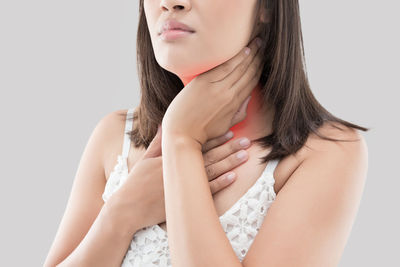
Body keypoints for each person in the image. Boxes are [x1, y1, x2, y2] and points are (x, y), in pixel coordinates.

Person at [44, 0, 369, 266]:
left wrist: (181, 140)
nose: (171, 3)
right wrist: (122, 213)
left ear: (266, 7)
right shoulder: (114, 136)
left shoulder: (326, 152)